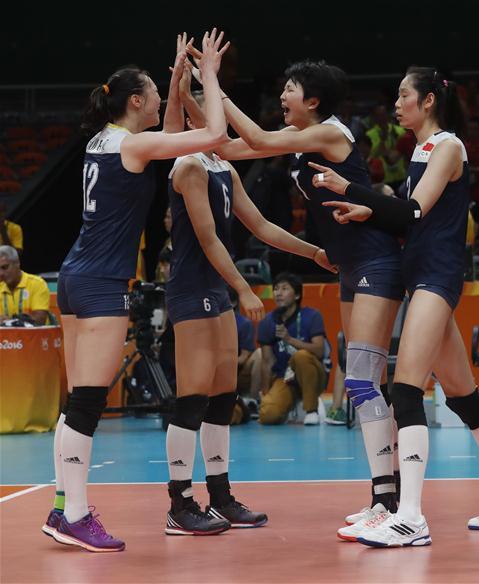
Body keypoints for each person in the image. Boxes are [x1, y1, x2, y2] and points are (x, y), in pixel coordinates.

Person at [314, 66, 479, 547]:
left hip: (437, 277)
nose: (396, 103)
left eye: (403, 95)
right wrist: (370, 210)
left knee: (407, 390)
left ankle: (410, 516)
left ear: (429, 100)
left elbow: (414, 211)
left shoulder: (449, 145)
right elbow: (414, 216)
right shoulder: (421, 149)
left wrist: (347, 187)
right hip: (421, 274)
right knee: (464, 395)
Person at [44, 30, 231, 553]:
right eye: (150, 91)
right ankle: (75, 516)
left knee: (75, 400)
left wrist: (174, 80)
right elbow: (212, 133)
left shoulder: (103, 140)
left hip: (75, 277)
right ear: (134, 101)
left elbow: (169, 132)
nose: (156, 100)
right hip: (102, 284)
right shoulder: (133, 143)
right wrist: (208, 76)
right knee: (87, 401)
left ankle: (64, 506)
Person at [207, 59, 405, 526]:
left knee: (361, 379)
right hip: (350, 266)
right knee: (364, 381)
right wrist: (187, 97)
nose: (282, 95)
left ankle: (390, 501)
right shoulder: (301, 142)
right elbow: (229, 147)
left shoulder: (330, 133)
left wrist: (215, 83)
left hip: (377, 260)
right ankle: (385, 497)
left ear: (313, 101)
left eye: (290, 88)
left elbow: (256, 140)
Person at [162, 77, 335, 534]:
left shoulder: (221, 166)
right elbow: (207, 237)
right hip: (191, 286)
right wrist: (243, 287)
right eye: (212, 116)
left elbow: (259, 225)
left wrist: (312, 252)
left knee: (222, 394)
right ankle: (179, 504)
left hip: (213, 288)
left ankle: (219, 496)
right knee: (192, 396)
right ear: (199, 119)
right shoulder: (188, 167)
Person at [256, 273, 329, 426]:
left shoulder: (312, 316)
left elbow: (319, 350)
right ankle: (288, 404)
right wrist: (265, 393)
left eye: (284, 288)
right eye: (275, 289)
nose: (278, 293)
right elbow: (267, 361)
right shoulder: (267, 322)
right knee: (268, 415)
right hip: (285, 378)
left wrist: (289, 340)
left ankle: (311, 410)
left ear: (296, 295)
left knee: (301, 356)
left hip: (314, 376)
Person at [0, 245, 50, 325]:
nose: (1, 273)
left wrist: (10, 320)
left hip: (36, 336)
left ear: (17, 263)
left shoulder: (37, 284)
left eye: (5, 267)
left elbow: (40, 320)